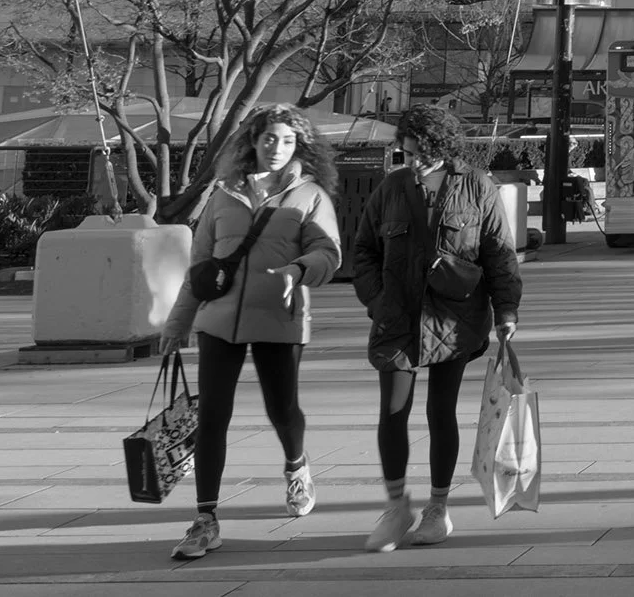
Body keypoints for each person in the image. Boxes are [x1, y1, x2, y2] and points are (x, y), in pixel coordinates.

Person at [160, 106, 343, 562]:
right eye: (268, 139)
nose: (276, 148)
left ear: (299, 145)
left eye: (285, 140)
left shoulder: (311, 195)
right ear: (252, 142)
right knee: (212, 416)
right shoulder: (223, 195)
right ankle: (205, 519)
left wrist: (299, 269)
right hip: (219, 322)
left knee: (282, 408)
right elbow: (200, 267)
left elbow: (329, 252)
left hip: (280, 320)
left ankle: (296, 467)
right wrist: (179, 321)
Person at [348, 102, 521, 552]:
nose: (412, 158)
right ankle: (396, 505)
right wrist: (376, 299)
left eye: (420, 150)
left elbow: (499, 254)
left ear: (440, 146)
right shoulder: (391, 187)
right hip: (397, 315)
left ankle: (438, 510)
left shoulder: (477, 187)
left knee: (440, 413)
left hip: (455, 317)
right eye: (406, 149)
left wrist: (506, 312)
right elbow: (363, 249)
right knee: (392, 411)